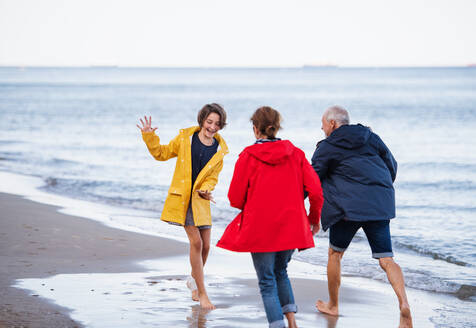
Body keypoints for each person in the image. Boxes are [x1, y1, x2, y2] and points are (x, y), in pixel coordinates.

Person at [217, 106, 324, 328]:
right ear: (276, 127)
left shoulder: (248, 156)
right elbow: (316, 191)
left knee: (267, 281)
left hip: (260, 227)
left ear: (256, 130)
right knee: (281, 271)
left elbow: (235, 198)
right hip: (291, 225)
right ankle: (292, 322)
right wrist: (314, 219)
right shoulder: (296, 153)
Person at [311, 105, 412, 328]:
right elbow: (391, 166)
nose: (323, 130)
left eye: (323, 126)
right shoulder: (371, 137)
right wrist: (377, 191)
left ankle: (333, 305)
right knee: (386, 259)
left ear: (332, 124)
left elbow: (313, 178)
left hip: (347, 208)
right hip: (379, 203)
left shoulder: (328, 145)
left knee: (335, 254)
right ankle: (404, 303)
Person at [136, 103, 229, 310]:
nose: (213, 127)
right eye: (209, 122)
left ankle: (193, 282)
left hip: (201, 201)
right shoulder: (186, 139)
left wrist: (206, 189)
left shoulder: (220, 150)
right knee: (196, 243)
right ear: (202, 120)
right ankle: (202, 293)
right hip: (183, 199)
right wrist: (149, 136)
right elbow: (161, 153)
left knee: (206, 246)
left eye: (217, 124)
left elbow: (213, 178)